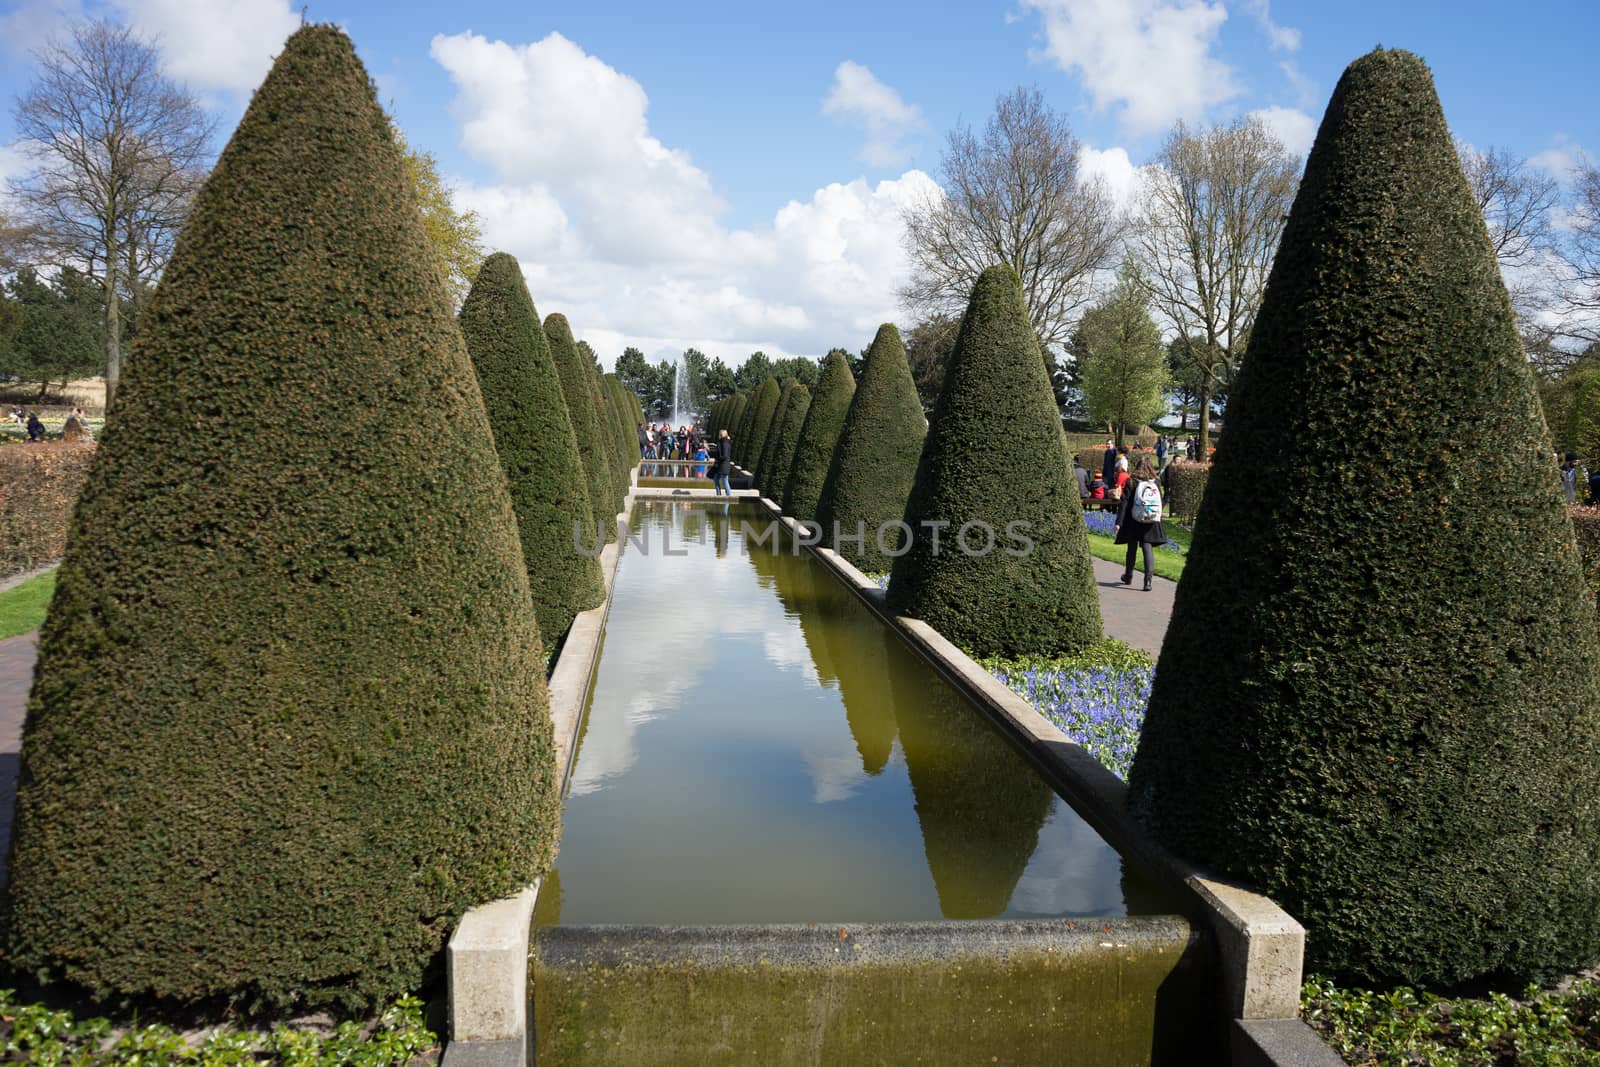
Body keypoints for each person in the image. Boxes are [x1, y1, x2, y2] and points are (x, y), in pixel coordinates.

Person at [1114, 457, 1168, 591]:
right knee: (1147, 547)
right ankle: (1148, 581)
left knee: (1131, 549)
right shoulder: (1155, 481)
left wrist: (1118, 522)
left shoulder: (1131, 481)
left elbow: (1124, 503)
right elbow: (1159, 500)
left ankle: (1128, 575)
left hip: (1134, 519)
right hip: (1150, 519)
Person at [713, 428, 733, 495]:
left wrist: (718, 459)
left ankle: (729, 496)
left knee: (725, 480)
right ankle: (719, 495)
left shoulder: (724, 443)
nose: (718, 435)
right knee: (716, 479)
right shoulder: (722, 442)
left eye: (719, 434)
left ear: (721, 435)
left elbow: (725, 455)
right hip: (721, 465)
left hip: (724, 465)